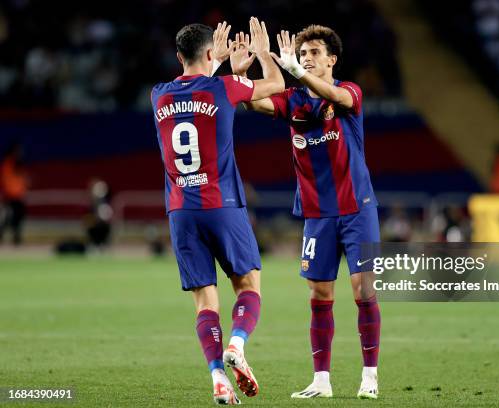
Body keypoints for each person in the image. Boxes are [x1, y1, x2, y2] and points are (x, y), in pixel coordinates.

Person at [231, 25, 381, 399]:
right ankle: (321, 381)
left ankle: (370, 376)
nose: (309, 57)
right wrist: (247, 68)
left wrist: (295, 71)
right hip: (318, 214)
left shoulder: (349, 93)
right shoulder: (294, 101)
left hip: (358, 209)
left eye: (316, 52)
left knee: (363, 290)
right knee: (318, 295)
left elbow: (334, 95)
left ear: (332, 59)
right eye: (304, 53)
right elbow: (253, 102)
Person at [150, 18, 284, 405]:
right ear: (212, 53)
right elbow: (275, 87)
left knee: (205, 301)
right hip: (221, 204)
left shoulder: (157, 94)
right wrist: (260, 55)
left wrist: (216, 62)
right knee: (248, 284)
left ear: (179, 57)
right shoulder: (224, 87)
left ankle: (218, 378)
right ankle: (238, 345)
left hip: (180, 211)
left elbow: (193, 92)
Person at [0, 142, 28, 246]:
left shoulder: (17, 164)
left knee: (17, 217)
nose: (20, 153)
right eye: (18, 150)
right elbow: (7, 181)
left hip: (17, 196)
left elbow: (20, 180)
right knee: (9, 218)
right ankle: (12, 237)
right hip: (10, 196)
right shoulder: (8, 163)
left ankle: (16, 237)